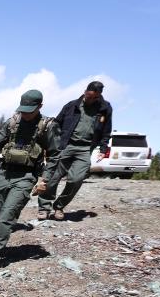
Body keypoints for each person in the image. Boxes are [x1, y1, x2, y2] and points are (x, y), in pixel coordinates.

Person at [0, 90, 61, 267]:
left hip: (26, 176)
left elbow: (55, 155)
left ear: (40, 107)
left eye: (30, 110)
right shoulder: (13, 122)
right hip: (3, 173)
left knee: (7, 214)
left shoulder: (48, 126)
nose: (25, 114)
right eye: (23, 110)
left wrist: (44, 180)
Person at [37, 80, 112, 220]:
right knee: (53, 178)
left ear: (99, 96)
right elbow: (57, 124)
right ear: (85, 92)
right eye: (90, 97)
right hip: (65, 145)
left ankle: (59, 206)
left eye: (95, 97)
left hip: (85, 148)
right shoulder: (72, 106)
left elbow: (106, 130)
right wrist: (51, 144)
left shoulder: (105, 108)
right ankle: (44, 208)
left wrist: (103, 148)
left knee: (76, 179)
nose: (92, 100)